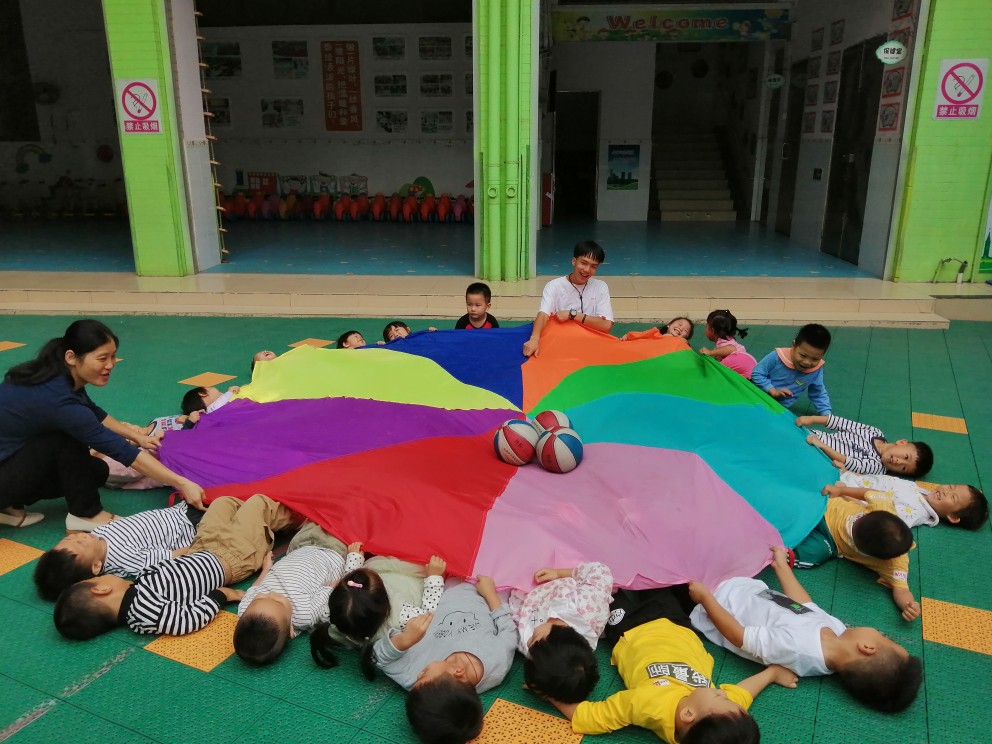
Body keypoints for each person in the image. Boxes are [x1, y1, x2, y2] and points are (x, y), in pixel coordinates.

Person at [0, 319, 206, 532]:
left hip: (9, 461)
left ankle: (8, 508)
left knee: (96, 471)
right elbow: (121, 450)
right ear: (71, 357)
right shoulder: (58, 400)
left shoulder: (57, 373)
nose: (110, 364)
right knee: (67, 437)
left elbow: (92, 410)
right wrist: (182, 482)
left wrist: (138, 437)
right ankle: (86, 513)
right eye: (102, 358)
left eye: (113, 356)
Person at [544, 584, 797, 743]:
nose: (723, 692)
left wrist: (548, 693)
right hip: (677, 624)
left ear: (688, 714)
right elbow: (743, 693)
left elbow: (589, 717)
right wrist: (772, 673)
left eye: (719, 696)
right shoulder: (718, 709)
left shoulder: (648, 705)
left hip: (631, 627)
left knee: (612, 586)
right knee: (652, 578)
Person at [688, 547, 922, 712]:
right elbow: (804, 605)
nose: (879, 632)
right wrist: (781, 567)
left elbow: (739, 636)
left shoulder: (798, 650)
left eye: (883, 637)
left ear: (867, 647)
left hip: (712, 600)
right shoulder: (837, 631)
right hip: (741, 584)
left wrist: (706, 598)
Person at [53, 494, 296, 639]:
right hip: (233, 558)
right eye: (97, 579)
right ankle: (302, 515)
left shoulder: (136, 593)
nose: (105, 576)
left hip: (203, 547)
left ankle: (267, 522)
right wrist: (224, 595)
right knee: (258, 504)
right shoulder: (143, 612)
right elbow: (187, 619)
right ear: (101, 589)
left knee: (223, 503)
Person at [366, 577, 518, 743]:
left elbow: (376, 657)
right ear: (458, 672)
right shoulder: (496, 664)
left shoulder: (416, 682)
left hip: (449, 584)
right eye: (424, 675)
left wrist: (404, 640)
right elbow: (508, 631)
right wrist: (490, 594)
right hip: (494, 587)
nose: (419, 674)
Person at [233, 528, 370, 665]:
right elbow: (338, 589)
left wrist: (266, 569)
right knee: (349, 522)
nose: (271, 594)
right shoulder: (305, 613)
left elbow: (255, 587)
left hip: (299, 545)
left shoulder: (245, 608)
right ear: (290, 630)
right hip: (334, 551)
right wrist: (353, 561)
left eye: (260, 598)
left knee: (318, 518)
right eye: (278, 602)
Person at [792, 486, 919, 621]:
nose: (853, 525)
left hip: (829, 540)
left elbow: (901, 590)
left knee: (814, 553)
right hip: (826, 506)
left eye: (853, 534)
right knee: (811, 493)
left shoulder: (894, 564)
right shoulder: (883, 506)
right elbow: (869, 493)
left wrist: (909, 605)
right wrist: (842, 490)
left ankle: (787, 555)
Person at [34, 501, 202, 601]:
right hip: (192, 524)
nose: (80, 536)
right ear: (96, 566)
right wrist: (204, 540)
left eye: (69, 539)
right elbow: (173, 556)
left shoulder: (96, 537)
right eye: (81, 543)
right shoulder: (124, 558)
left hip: (179, 509)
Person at [509, 562, 613, 704]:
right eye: (534, 639)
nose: (527, 642)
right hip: (553, 586)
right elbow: (600, 570)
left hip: (529, 603)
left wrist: (538, 685)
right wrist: (559, 573)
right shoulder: (589, 604)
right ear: (557, 634)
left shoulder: (548, 651)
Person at [523, 241, 613, 357]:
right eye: (583, 263)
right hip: (561, 342)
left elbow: (606, 325)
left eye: (593, 266)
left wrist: (572, 315)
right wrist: (534, 339)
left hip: (590, 343)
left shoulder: (600, 287)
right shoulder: (554, 286)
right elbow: (543, 315)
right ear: (574, 261)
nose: (587, 269)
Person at [833, 471, 988, 530]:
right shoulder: (919, 490)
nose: (946, 491)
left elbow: (873, 513)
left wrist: (844, 494)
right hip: (844, 477)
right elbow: (879, 480)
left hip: (838, 494)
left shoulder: (915, 513)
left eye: (953, 497)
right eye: (951, 486)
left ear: (953, 516)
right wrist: (850, 472)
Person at [795, 413, 933, 477]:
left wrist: (821, 446)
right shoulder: (875, 432)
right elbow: (842, 423)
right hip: (814, 436)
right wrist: (812, 419)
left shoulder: (878, 468)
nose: (899, 461)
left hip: (819, 457)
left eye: (903, 468)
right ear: (902, 442)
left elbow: (847, 461)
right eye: (906, 457)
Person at [751, 323, 832, 414]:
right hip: (756, 400)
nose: (807, 362)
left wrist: (826, 414)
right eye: (803, 355)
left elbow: (818, 393)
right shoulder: (777, 356)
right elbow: (757, 373)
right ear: (794, 345)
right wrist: (772, 391)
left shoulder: (816, 369)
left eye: (815, 359)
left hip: (779, 410)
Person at [698, 309, 757, 380]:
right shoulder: (728, 339)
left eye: (706, 326)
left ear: (712, 331)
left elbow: (731, 348)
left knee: (715, 370)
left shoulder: (723, 342)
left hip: (741, 360)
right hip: (749, 363)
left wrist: (710, 352)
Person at [620, 317, 694, 342]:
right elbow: (639, 337)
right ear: (669, 325)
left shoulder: (682, 344)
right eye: (680, 324)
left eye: (685, 330)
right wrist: (627, 337)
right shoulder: (654, 333)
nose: (681, 328)